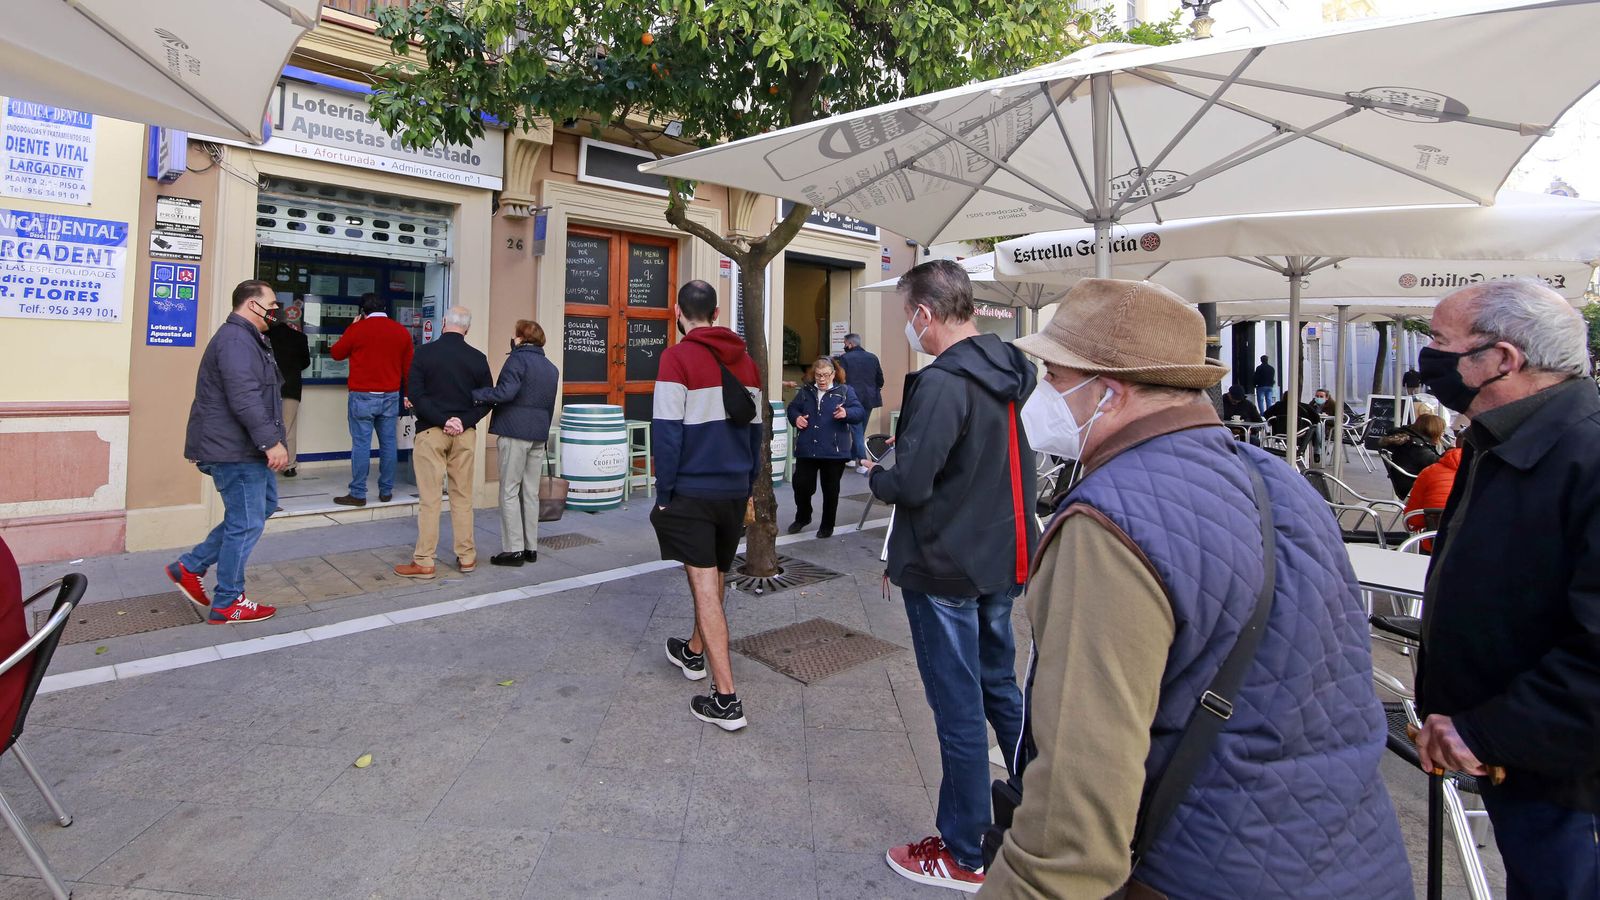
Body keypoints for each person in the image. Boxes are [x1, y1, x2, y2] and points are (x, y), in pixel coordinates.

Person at [983, 278, 1409, 898]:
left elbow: (1077, 806)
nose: (1042, 391)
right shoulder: (1282, 483)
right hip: (1350, 855)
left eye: (1053, 372)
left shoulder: (1109, 522)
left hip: (1201, 867)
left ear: (1108, 391)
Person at [1412, 279, 1600, 899]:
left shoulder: (1584, 453)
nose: (1429, 355)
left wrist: (1487, 730)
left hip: (1571, 781)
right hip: (1520, 762)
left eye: (1441, 341)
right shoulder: (1499, 441)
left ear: (1501, 359)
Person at [867, 259, 1037, 893]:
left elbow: (912, 480)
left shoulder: (942, 381)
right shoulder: (1012, 372)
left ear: (924, 315)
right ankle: (1029, 810)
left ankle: (964, 851)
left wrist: (879, 472)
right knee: (1001, 690)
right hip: (1000, 555)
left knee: (958, 707)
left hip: (946, 565)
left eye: (906, 316)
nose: (907, 327)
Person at [653, 280, 762, 732]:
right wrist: (748, 484)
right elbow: (756, 432)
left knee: (703, 587)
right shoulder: (748, 362)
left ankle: (726, 698)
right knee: (713, 576)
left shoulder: (676, 358)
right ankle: (694, 652)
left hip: (693, 490)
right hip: (733, 490)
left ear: (678, 311)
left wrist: (665, 494)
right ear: (716, 313)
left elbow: (667, 430)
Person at [163, 280, 288, 624]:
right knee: (245, 523)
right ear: (252, 305)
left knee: (258, 509)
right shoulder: (235, 341)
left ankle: (190, 566)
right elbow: (244, 396)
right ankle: (228, 600)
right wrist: (271, 442)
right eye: (272, 305)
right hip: (235, 450)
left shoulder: (248, 339)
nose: (276, 311)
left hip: (242, 447)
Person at [394, 306, 491, 579]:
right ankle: (467, 556)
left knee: (430, 499)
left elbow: (415, 393)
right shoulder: (477, 358)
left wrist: (442, 420)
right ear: (467, 329)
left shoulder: (424, 353)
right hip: (465, 434)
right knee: (462, 497)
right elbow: (487, 399)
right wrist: (462, 421)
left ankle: (424, 560)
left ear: (443, 323)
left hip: (430, 432)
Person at [473, 319, 559, 567]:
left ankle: (513, 550)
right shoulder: (550, 368)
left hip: (514, 431)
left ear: (521, 338)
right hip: (538, 435)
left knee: (509, 490)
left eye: (515, 335)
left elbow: (504, 393)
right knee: (531, 492)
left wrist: (476, 395)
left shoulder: (517, 360)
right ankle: (531, 547)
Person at [329, 292, 414, 507]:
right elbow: (408, 368)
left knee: (361, 444)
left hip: (362, 395)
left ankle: (358, 493)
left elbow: (337, 353)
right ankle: (386, 490)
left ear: (362, 311)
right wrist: (407, 394)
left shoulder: (358, 329)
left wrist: (351, 327)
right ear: (384, 308)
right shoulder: (401, 331)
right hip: (390, 395)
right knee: (388, 444)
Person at [786, 356, 864, 539]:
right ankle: (803, 517)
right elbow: (792, 408)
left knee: (831, 490)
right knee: (801, 485)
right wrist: (796, 418)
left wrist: (847, 413)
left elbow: (859, 412)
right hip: (808, 448)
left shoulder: (845, 391)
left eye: (825, 375)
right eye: (818, 375)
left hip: (834, 450)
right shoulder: (806, 391)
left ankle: (827, 525)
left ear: (833, 374)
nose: (821, 379)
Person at [265, 313, 310, 478]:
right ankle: (289, 466)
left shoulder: (264, 336)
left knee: (266, 426)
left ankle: (267, 465)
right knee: (288, 427)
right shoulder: (299, 337)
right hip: (291, 388)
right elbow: (305, 362)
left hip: (268, 388)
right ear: (286, 320)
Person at [839, 333, 885, 472]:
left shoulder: (844, 358)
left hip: (852, 399)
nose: (844, 346)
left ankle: (862, 462)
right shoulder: (872, 357)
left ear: (850, 344)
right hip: (870, 399)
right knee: (860, 429)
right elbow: (880, 379)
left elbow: (841, 379)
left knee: (857, 431)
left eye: (845, 343)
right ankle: (852, 457)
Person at [1403, 447, 1461, 548]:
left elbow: (1412, 519)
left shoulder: (1430, 472)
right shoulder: (1490, 476)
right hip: (1476, 549)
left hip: (1433, 544)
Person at [1379, 412, 1445, 499]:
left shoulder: (1410, 439)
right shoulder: (1417, 446)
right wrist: (1452, 451)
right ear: (1434, 431)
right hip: (1412, 485)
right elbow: (1439, 464)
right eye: (1442, 430)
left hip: (1406, 481)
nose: (1443, 433)